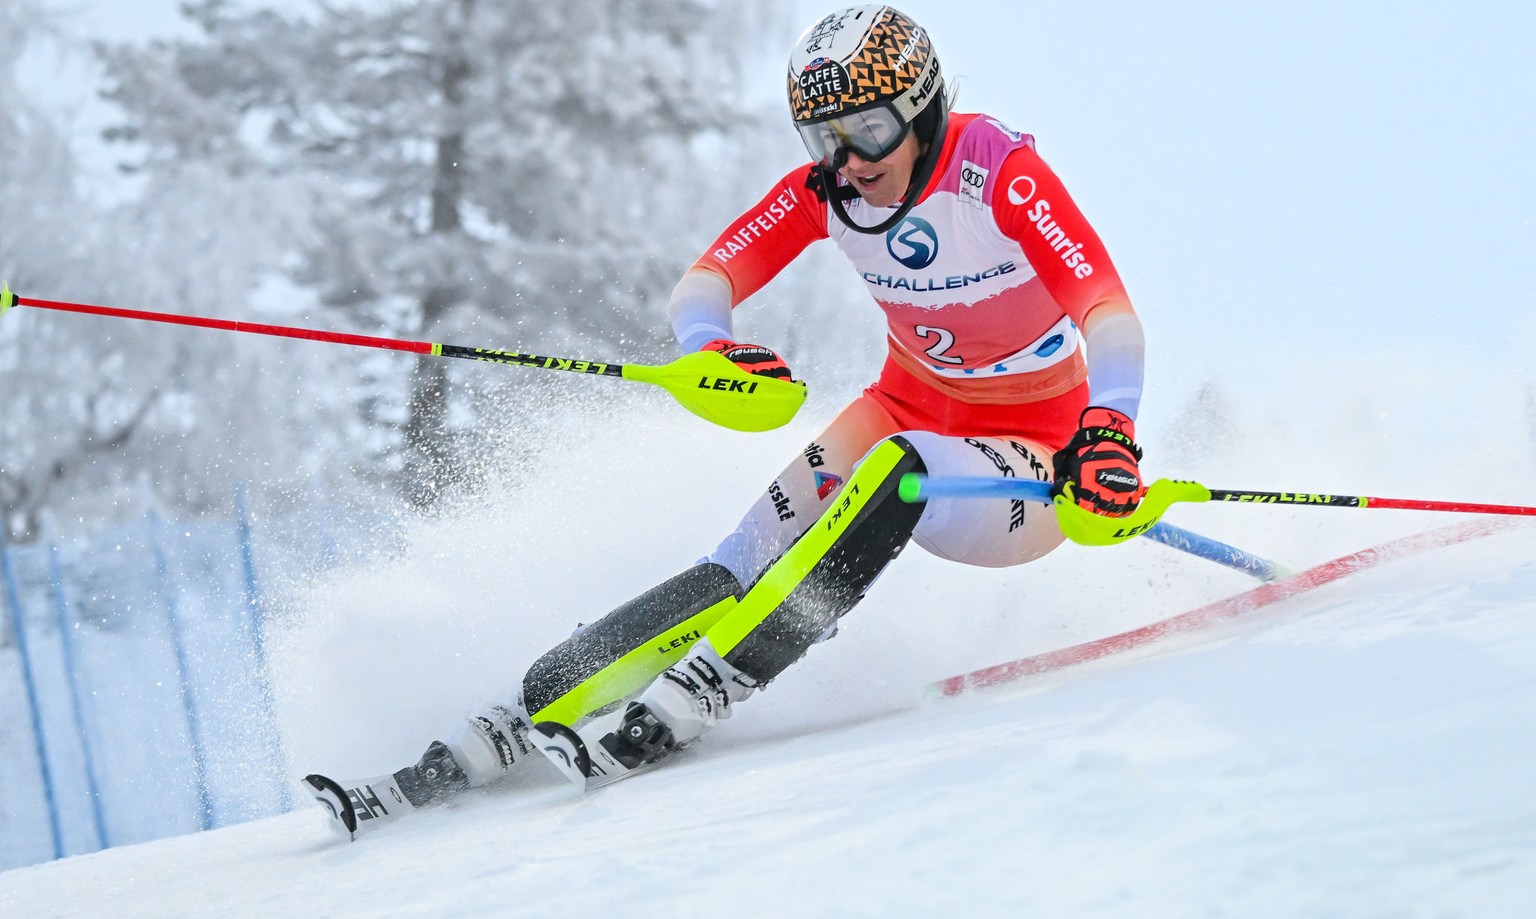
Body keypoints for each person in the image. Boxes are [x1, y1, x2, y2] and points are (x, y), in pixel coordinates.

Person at [348, 4, 1146, 810]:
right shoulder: (828, 190)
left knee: (891, 471)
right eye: (823, 137)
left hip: (1035, 459)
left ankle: (719, 679)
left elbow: (1109, 312)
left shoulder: (997, 172)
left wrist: (1109, 426)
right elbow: (707, 280)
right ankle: (532, 706)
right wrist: (710, 344)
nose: (850, 161)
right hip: (904, 404)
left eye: (867, 129)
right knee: (746, 552)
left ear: (922, 106)